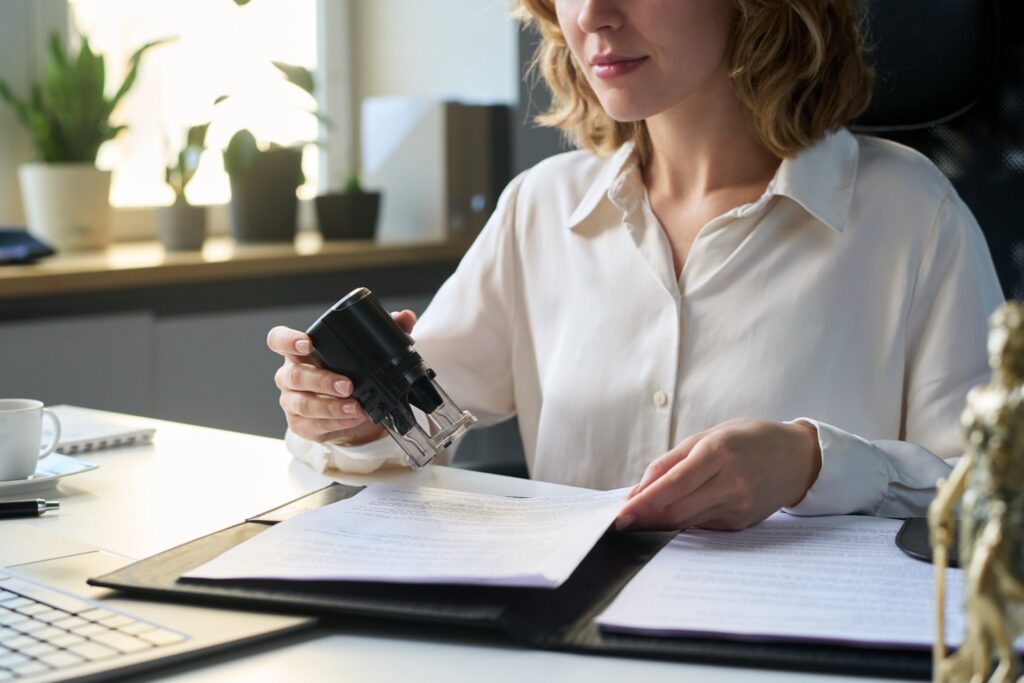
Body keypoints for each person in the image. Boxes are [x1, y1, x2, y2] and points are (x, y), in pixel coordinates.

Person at [267, 0, 1003, 531]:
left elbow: (990, 497)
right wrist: (341, 415)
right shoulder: (541, 209)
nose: (592, 15)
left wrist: (810, 461)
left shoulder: (912, 214)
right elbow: (403, 427)